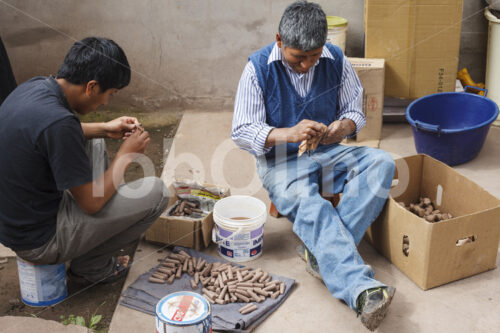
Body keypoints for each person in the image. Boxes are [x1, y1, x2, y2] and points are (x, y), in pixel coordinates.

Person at [231, 2, 396, 331]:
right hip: (281, 163)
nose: (307, 65)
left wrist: (338, 130)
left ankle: (319, 256)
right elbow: (241, 131)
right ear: (280, 40)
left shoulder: (335, 59)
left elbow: (355, 111)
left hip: (328, 151)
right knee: (311, 206)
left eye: (314, 56)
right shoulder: (258, 68)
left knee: (382, 163)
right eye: (297, 58)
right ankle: (362, 290)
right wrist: (287, 133)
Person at [0, 37, 169, 286]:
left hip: (19, 221)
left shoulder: (37, 86)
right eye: (109, 94)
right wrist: (126, 155)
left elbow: (55, 132)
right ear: (91, 87)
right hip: (40, 242)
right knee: (157, 193)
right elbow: (90, 204)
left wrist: (105, 128)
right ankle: (92, 268)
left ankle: (99, 222)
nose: (105, 103)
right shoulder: (60, 123)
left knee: (96, 140)